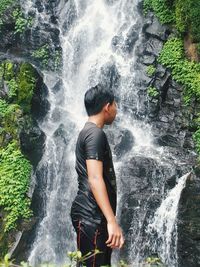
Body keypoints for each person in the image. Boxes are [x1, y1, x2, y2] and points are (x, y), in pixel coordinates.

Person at [70, 84, 124, 267]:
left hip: (90, 214)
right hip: (91, 214)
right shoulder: (95, 135)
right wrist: (112, 221)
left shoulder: (88, 132)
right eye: (115, 105)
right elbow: (94, 178)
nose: (117, 110)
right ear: (107, 107)